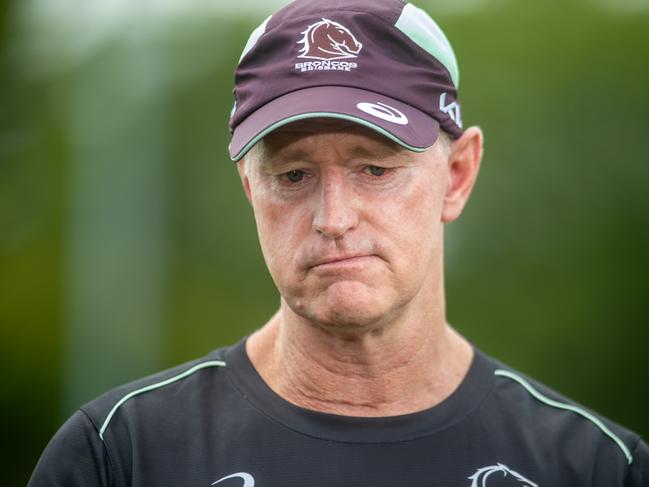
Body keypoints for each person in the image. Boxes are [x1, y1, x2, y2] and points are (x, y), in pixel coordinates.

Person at [29, 0, 648, 485]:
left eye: (374, 169)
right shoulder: (121, 455)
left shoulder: (594, 466)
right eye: (293, 175)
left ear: (457, 175)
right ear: (249, 187)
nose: (333, 217)